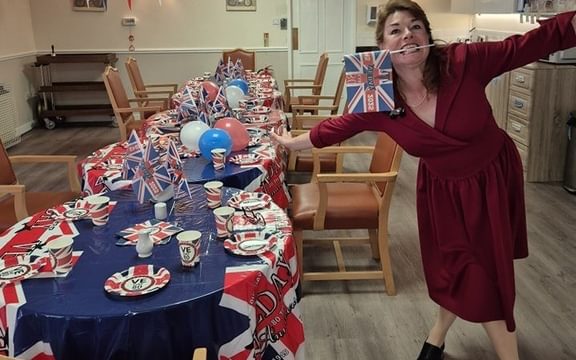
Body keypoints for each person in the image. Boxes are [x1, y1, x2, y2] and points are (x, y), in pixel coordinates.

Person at [272, 1, 576, 359]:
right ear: (383, 47)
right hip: (442, 192)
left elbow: (527, 45)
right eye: (395, 30)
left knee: (486, 274)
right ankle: (437, 336)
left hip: (489, 180)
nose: (407, 35)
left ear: (428, 36)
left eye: (416, 26)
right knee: (456, 269)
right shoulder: (379, 95)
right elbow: (338, 126)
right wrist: (291, 142)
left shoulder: (462, 62)